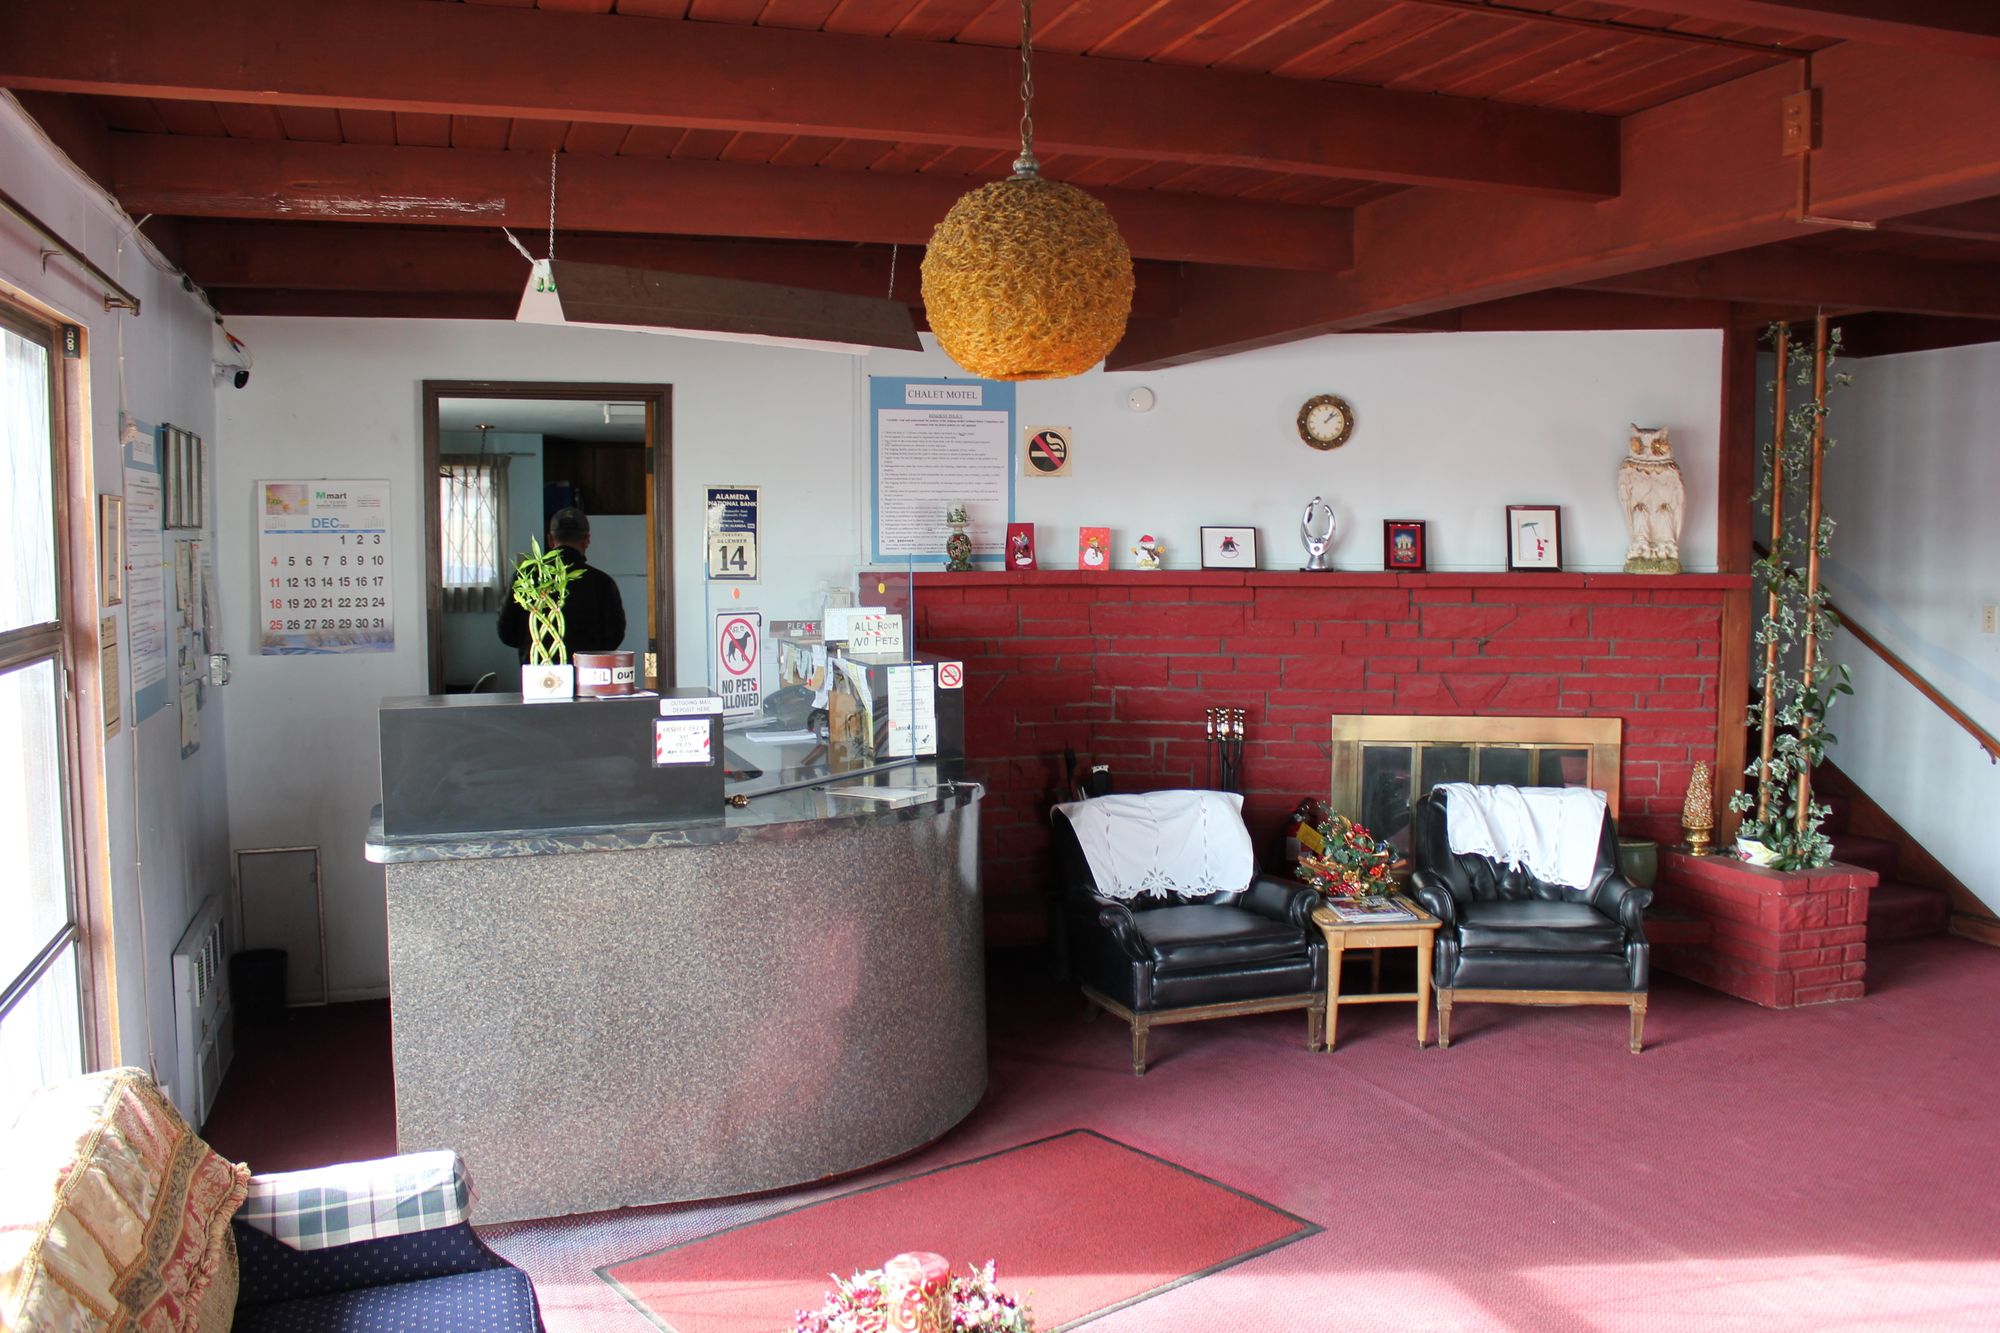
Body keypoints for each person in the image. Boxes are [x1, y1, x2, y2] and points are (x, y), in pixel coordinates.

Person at [498, 507, 626, 663]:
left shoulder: (525, 577)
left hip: (538, 671)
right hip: (586, 671)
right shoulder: (602, 582)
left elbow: (507, 633)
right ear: (586, 540)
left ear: (550, 540)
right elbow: (614, 638)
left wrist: (534, 643)